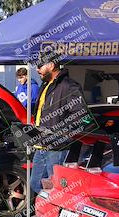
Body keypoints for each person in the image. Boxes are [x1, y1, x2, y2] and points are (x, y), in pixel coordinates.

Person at [30, 51, 86, 194]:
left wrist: (59, 132)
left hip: (57, 146)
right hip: (41, 145)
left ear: (51, 65)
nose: (37, 70)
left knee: (57, 188)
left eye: (40, 66)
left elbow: (80, 114)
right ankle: (46, 213)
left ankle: (58, 215)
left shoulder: (68, 86)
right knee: (36, 185)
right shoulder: (45, 85)